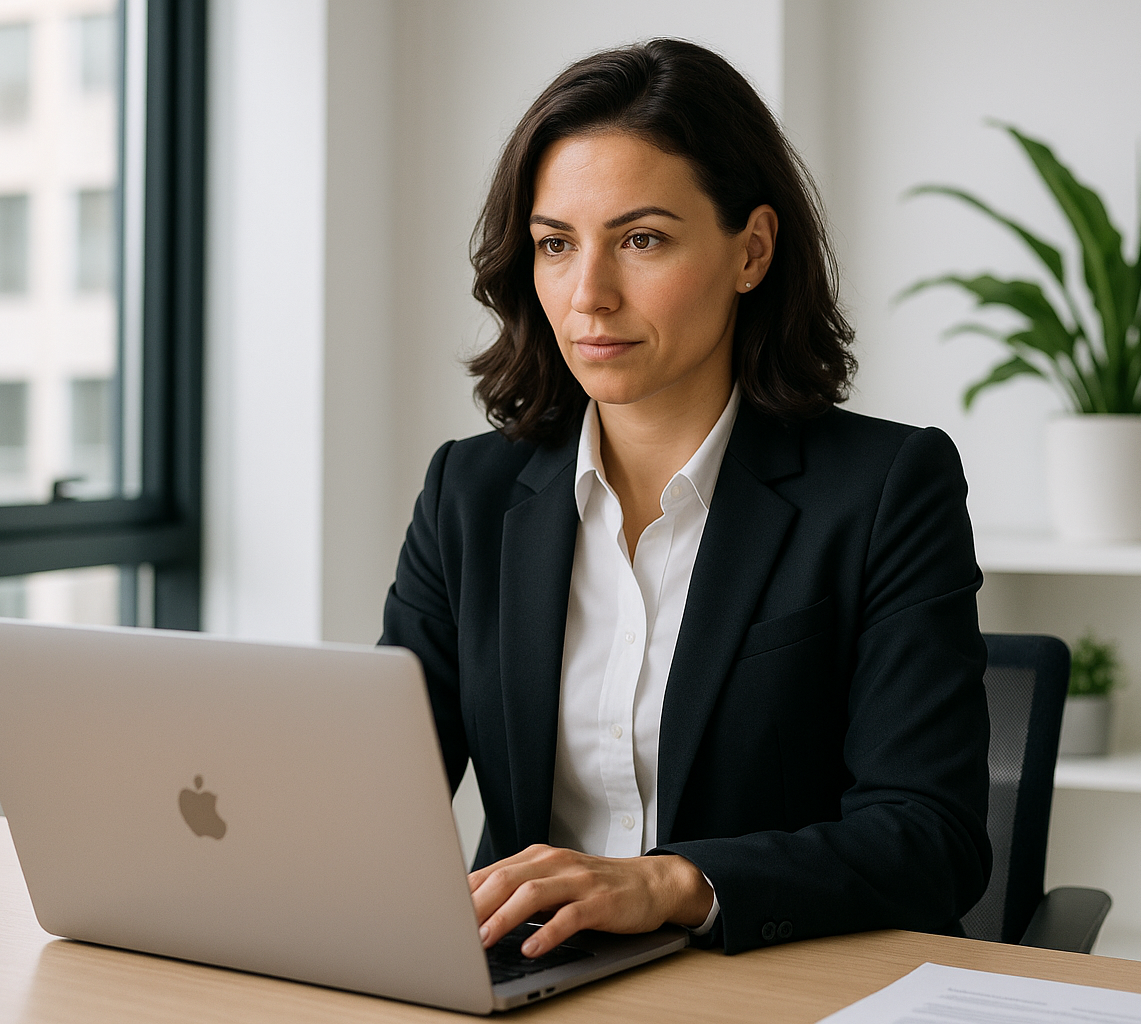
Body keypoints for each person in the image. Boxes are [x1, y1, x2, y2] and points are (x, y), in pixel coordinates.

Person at [380, 38, 990, 959]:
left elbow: (930, 839)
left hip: (774, 981)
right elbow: (382, 791)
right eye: (555, 245)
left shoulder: (886, 490)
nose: (590, 295)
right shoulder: (469, 493)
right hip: (532, 977)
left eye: (642, 239)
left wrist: (672, 883)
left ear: (752, 250)